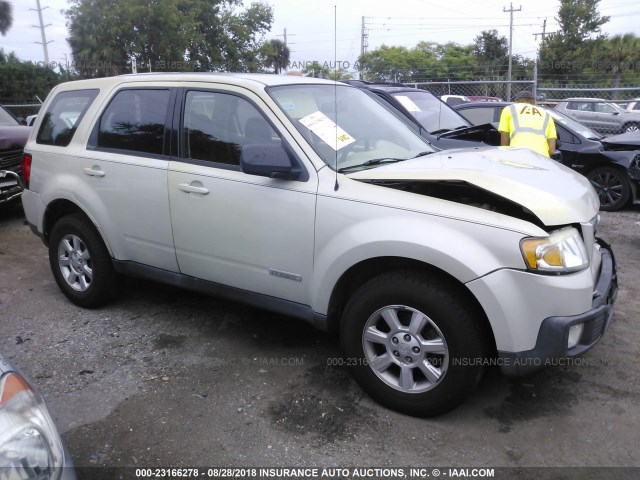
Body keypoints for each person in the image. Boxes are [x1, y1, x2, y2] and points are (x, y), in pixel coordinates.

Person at [498, 90, 557, 158]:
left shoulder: (509, 109)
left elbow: (504, 144)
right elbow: (552, 150)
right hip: (541, 159)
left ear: (516, 101)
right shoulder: (546, 114)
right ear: (534, 102)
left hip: (518, 156)